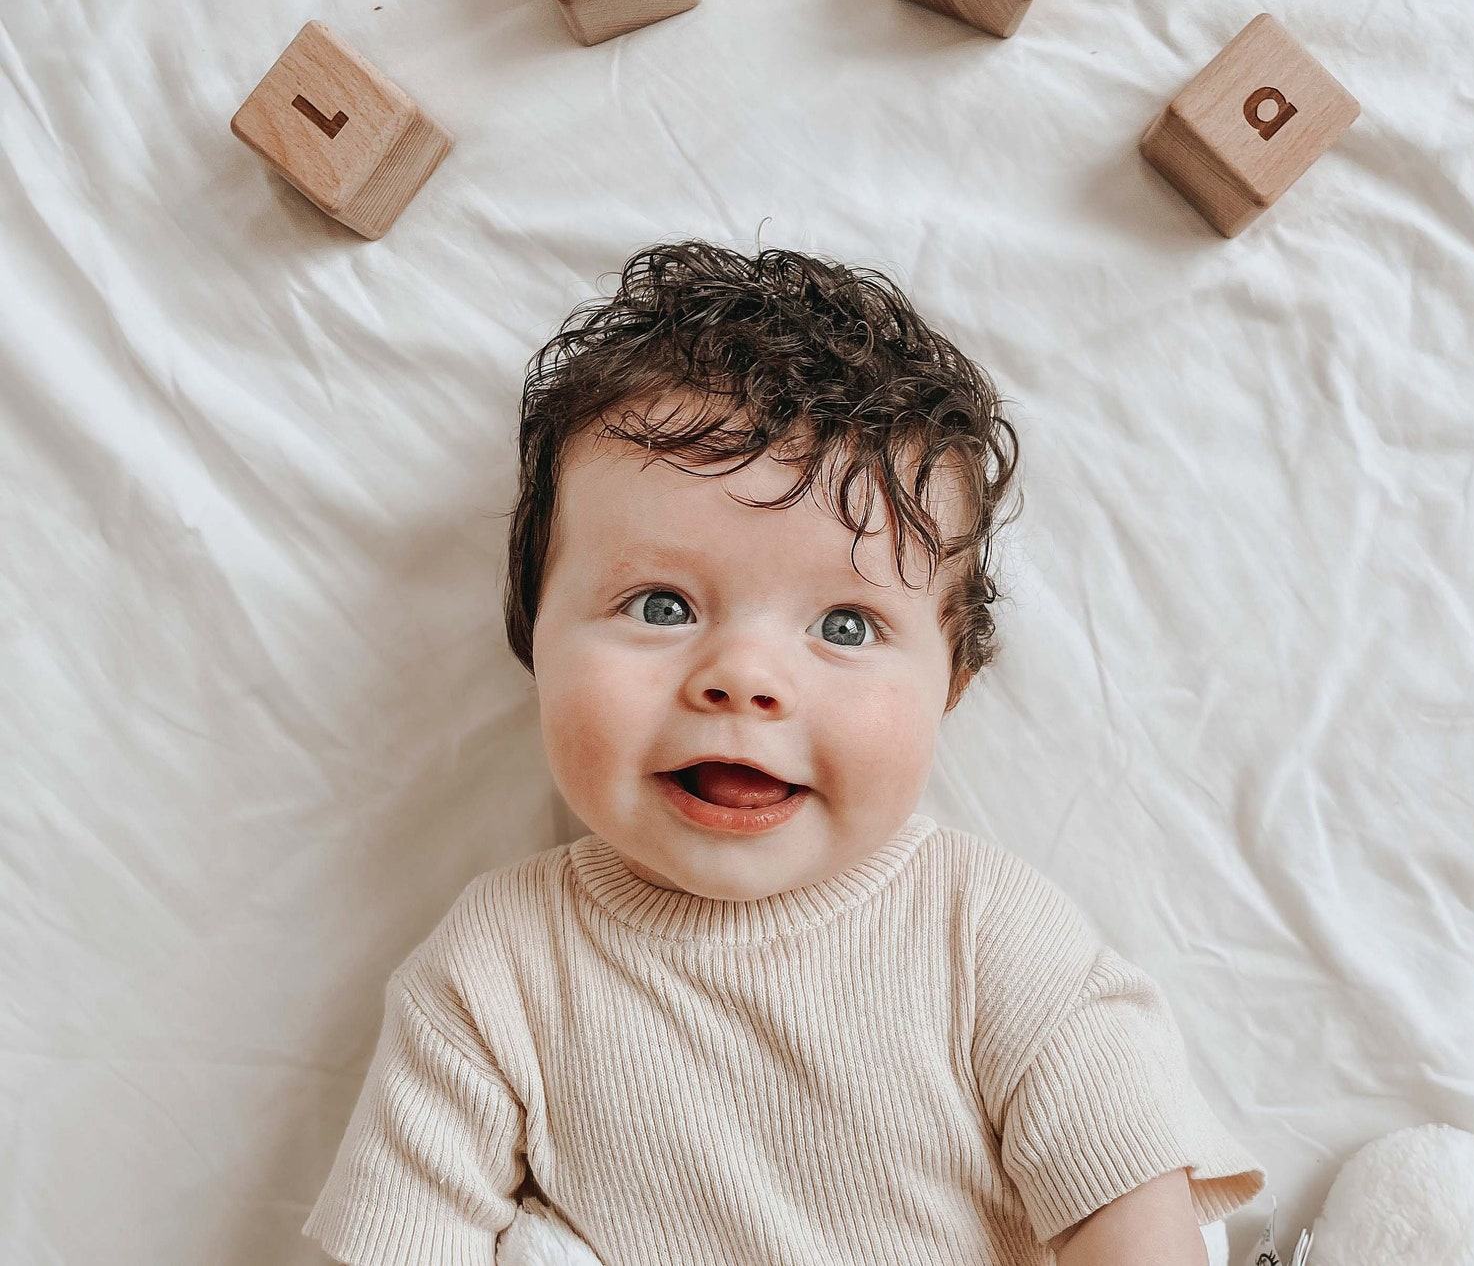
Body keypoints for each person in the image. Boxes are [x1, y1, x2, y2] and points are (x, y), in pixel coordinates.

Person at [303, 239, 1265, 1265]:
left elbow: (1131, 1218)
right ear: (531, 640)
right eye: (660, 604)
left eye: (844, 626)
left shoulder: (986, 934)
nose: (742, 678)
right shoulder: (494, 968)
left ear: (949, 689)